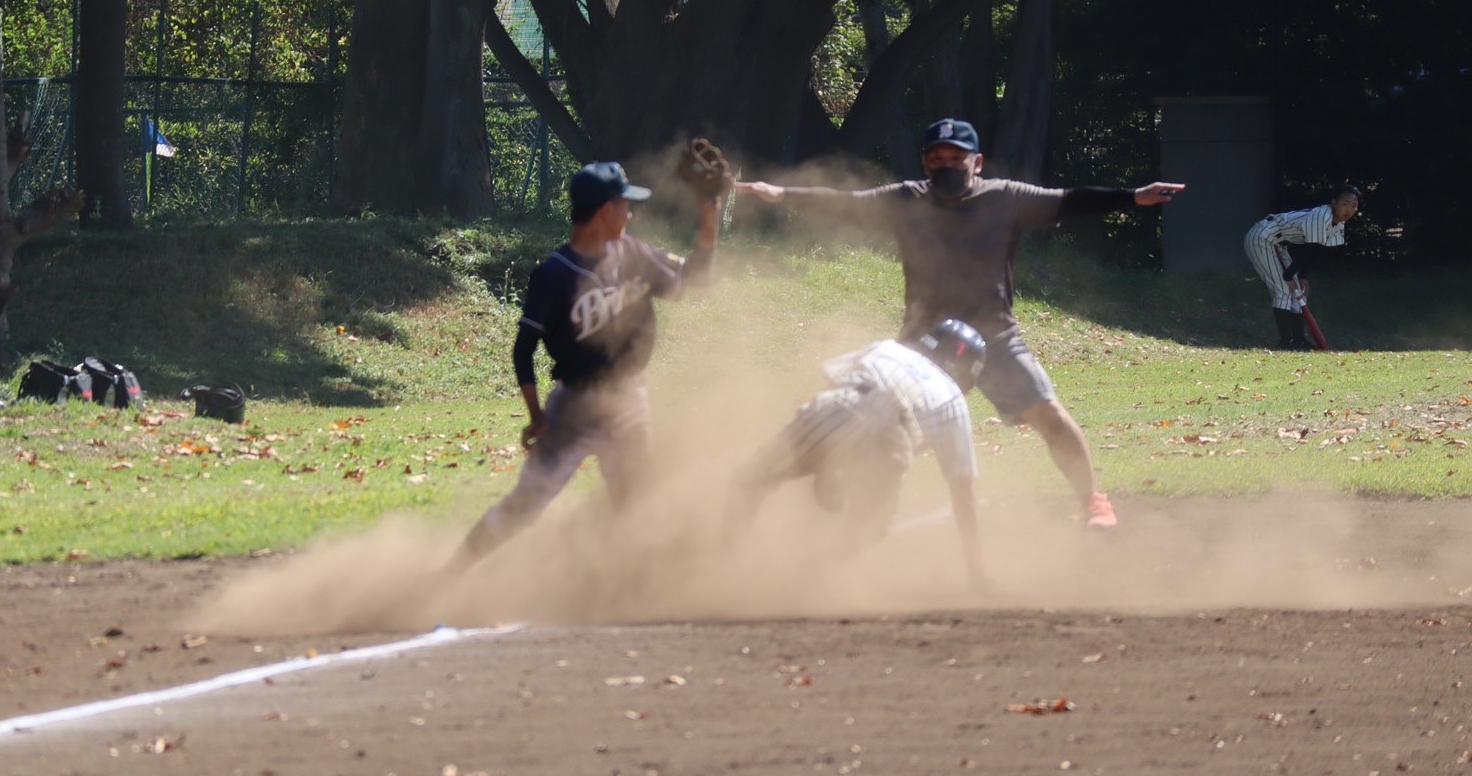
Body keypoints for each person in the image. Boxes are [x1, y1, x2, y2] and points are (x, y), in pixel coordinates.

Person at [736, 117, 1185, 530]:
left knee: (1048, 414)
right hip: (921, 345)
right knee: (874, 428)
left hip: (994, 336)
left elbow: (1068, 201)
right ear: (925, 162)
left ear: (977, 161)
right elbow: (845, 204)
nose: (946, 165)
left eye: (956, 158)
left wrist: (1132, 196)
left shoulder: (1005, 197)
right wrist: (779, 194)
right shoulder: (906, 199)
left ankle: (1092, 503)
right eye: (937, 158)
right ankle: (829, 496)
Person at [450, 161, 722, 571]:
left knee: (637, 506)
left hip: (628, 402)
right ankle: (448, 575)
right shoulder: (555, 274)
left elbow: (697, 277)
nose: (630, 214)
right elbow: (523, 350)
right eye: (624, 206)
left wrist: (708, 212)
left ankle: (628, 588)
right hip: (573, 408)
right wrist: (537, 415)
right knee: (524, 506)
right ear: (604, 212)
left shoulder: (635, 254)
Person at [731, 319, 991, 590]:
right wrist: (977, 574)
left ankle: (718, 562)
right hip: (890, 441)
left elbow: (831, 385)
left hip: (839, 408)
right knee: (866, 528)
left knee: (749, 479)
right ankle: (793, 582)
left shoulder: (887, 349)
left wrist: (826, 461)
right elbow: (963, 495)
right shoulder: (952, 399)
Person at [1243, 185, 1360, 350]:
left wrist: (1302, 276)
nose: (1349, 209)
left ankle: (1299, 340)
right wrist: (1289, 275)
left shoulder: (1338, 225)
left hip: (1278, 244)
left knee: (1298, 290)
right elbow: (1309, 249)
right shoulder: (1322, 215)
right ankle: (1286, 342)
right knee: (1283, 289)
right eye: (1345, 203)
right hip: (1262, 237)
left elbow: (1319, 251)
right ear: (1334, 203)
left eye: (1354, 206)